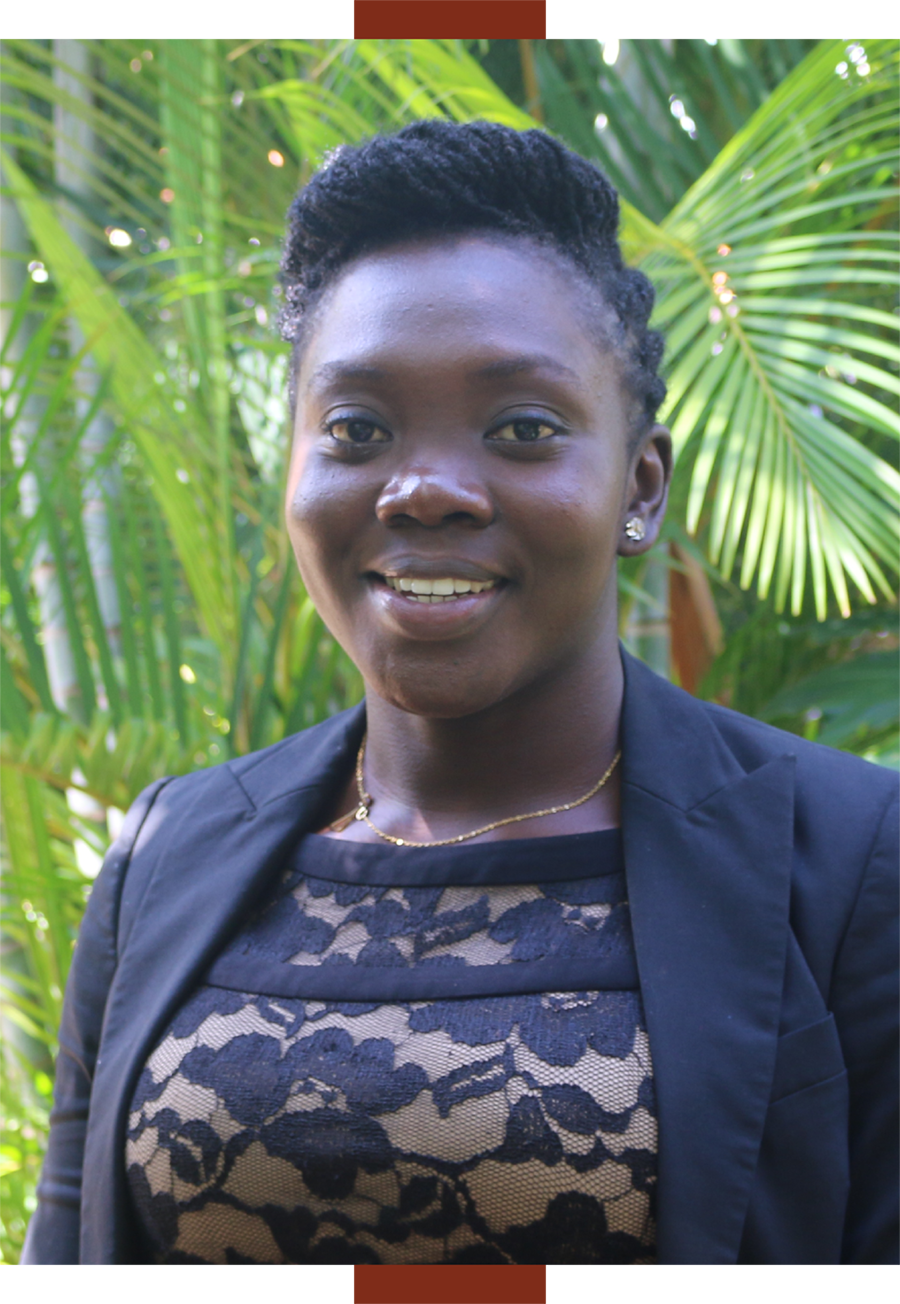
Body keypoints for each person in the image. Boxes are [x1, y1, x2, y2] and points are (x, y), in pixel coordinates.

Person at [19, 120, 900, 1304]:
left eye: (522, 429)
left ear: (641, 484)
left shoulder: (847, 861)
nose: (424, 485)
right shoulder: (166, 852)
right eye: (358, 429)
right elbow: (70, 1263)